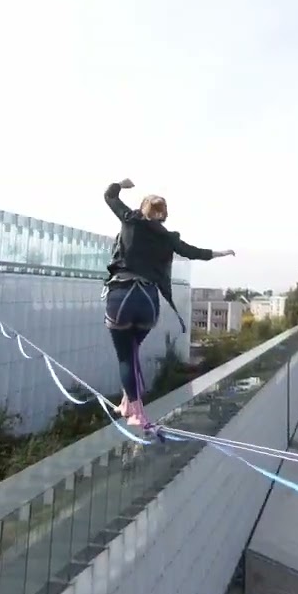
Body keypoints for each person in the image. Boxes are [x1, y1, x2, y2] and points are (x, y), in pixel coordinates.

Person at [102, 178, 233, 426]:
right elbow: (193, 252)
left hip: (123, 294)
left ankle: (136, 412)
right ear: (163, 215)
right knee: (131, 351)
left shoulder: (131, 220)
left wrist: (121, 184)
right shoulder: (167, 237)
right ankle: (128, 403)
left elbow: (109, 196)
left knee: (125, 357)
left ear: (143, 209)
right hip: (148, 302)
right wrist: (220, 253)